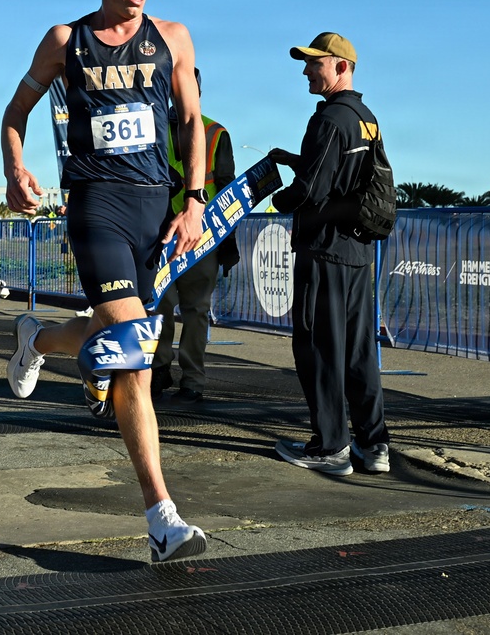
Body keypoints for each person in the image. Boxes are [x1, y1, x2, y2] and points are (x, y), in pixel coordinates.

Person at [0, 0, 209, 562]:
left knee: (108, 333)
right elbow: (15, 112)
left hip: (156, 210)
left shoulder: (173, 38)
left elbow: (193, 119)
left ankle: (35, 337)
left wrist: (195, 199)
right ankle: (161, 518)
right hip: (96, 206)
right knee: (134, 360)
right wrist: (15, 166)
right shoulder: (66, 40)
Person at [268, 32, 390, 477]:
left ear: (341, 66)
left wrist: (276, 199)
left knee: (318, 347)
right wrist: (297, 159)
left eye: (314, 63)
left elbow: (311, 191)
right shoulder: (365, 118)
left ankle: (330, 447)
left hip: (323, 251)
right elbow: (344, 177)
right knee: (358, 352)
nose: (306, 70)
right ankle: (373, 446)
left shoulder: (329, 120)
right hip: (357, 250)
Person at [151, 70, 239, 403]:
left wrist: (228, 245)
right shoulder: (151, 131)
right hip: (160, 238)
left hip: (201, 239)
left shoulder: (215, 133)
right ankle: (160, 369)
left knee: (195, 310)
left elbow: (228, 191)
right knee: (159, 307)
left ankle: (192, 380)